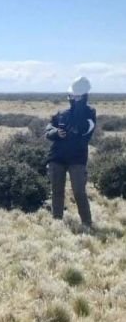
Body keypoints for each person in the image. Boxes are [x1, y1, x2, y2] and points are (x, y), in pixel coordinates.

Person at [46, 76, 96, 228]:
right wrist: (56, 132)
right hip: (58, 157)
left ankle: (86, 223)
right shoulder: (62, 113)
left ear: (83, 96)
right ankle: (57, 222)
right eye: (71, 96)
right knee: (57, 191)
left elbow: (84, 128)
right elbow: (48, 130)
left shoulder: (89, 113)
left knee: (79, 192)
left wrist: (79, 105)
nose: (72, 98)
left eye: (76, 96)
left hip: (77, 159)